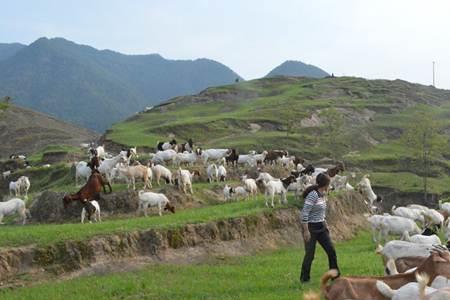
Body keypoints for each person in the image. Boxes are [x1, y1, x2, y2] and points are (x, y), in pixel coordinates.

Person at [300, 172, 340, 283]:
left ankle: (335, 276)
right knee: (310, 255)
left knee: (331, 251)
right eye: (329, 183)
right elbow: (305, 213)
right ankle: (304, 279)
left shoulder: (323, 195)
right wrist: (306, 230)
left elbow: (321, 212)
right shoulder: (313, 195)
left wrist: (325, 224)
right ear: (325, 184)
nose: (330, 186)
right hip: (311, 228)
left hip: (321, 227)